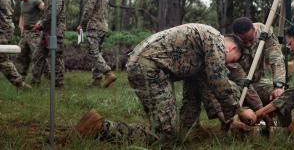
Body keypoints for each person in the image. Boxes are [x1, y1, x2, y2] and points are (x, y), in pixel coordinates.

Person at [75, 24, 244, 145]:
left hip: (147, 65)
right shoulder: (216, 42)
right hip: (149, 68)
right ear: (231, 48)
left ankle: (188, 130)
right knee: (165, 135)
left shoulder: (206, 46)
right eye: (233, 61)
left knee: (191, 88)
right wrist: (240, 111)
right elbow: (219, 82)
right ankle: (101, 128)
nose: (229, 65)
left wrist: (227, 119)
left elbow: (205, 89)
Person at [231, 17, 287, 124]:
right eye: (243, 41)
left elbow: (276, 58)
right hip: (239, 85)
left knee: (282, 95)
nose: (248, 44)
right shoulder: (230, 43)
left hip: (258, 81)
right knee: (231, 98)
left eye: (250, 40)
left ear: (254, 31)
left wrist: (279, 86)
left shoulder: (264, 31)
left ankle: (284, 128)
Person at [76, 0, 116, 88]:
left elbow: (88, 9)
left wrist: (81, 25)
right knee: (98, 53)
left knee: (93, 53)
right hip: (103, 27)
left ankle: (108, 73)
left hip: (94, 27)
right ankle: (97, 80)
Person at [31, 0, 66, 88]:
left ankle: (58, 85)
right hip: (46, 33)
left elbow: (53, 15)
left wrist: (40, 25)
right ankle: (35, 82)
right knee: (37, 56)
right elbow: (46, 14)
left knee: (56, 58)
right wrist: (40, 24)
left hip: (55, 33)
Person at [0, 0, 30, 89]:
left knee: (2, 59)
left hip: (2, 31)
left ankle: (20, 84)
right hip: (4, 29)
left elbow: (5, 17)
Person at [12, 0, 44, 79]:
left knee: (36, 56)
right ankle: (20, 78)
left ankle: (36, 80)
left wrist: (40, 23)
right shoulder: (22, 3)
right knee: (21, 55)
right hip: (25, 33)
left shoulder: (35, 1)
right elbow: (22, 15)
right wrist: (21, 26)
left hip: (35, 33)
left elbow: (47, 11)